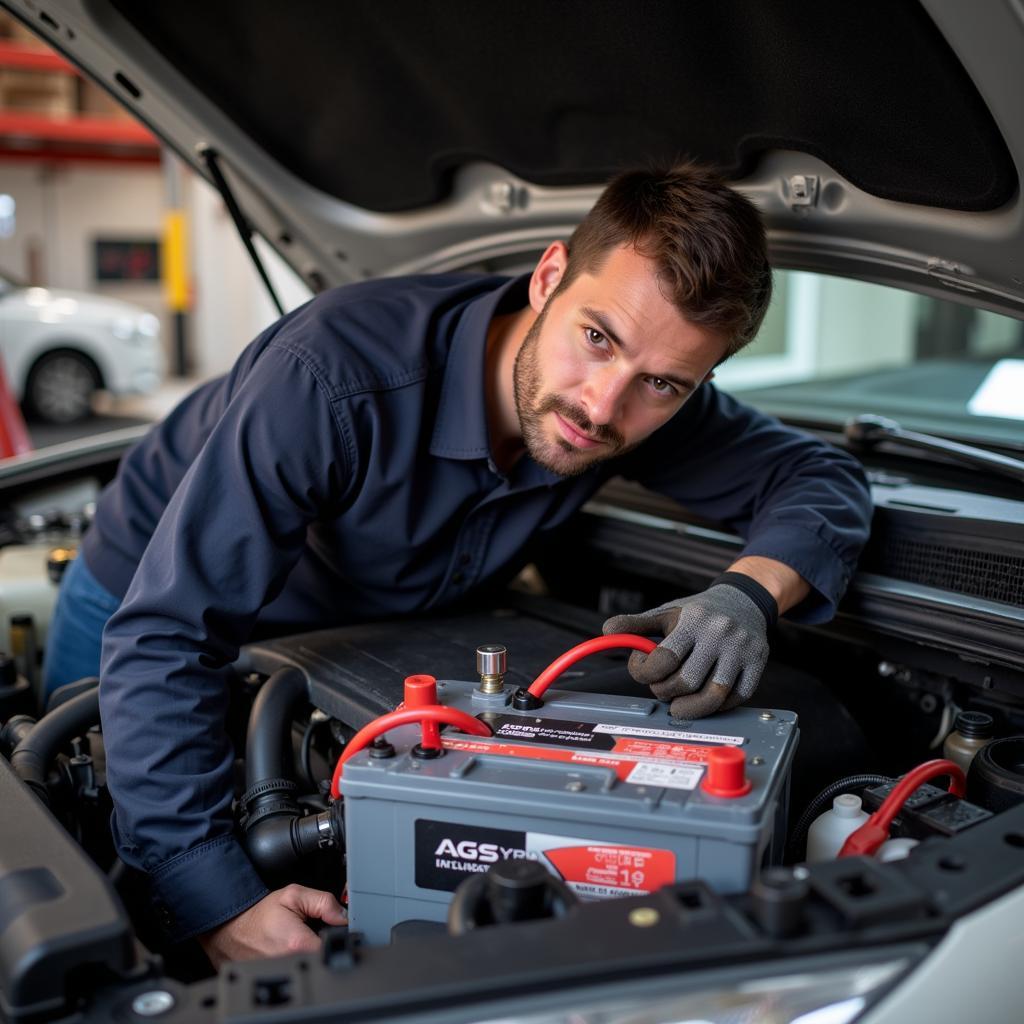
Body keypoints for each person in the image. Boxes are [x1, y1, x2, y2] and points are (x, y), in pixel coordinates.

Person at [43, 164, 871, 964]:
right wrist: (213, 899)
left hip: (361, 633)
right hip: (139, 609)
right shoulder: (332, 376)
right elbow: (169, 632)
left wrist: (749, 594)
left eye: (662, 383)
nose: (603, 404)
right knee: (104, 895)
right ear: (549, 276)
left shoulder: (641, 388)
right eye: (596, 337)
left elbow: (820, 475)